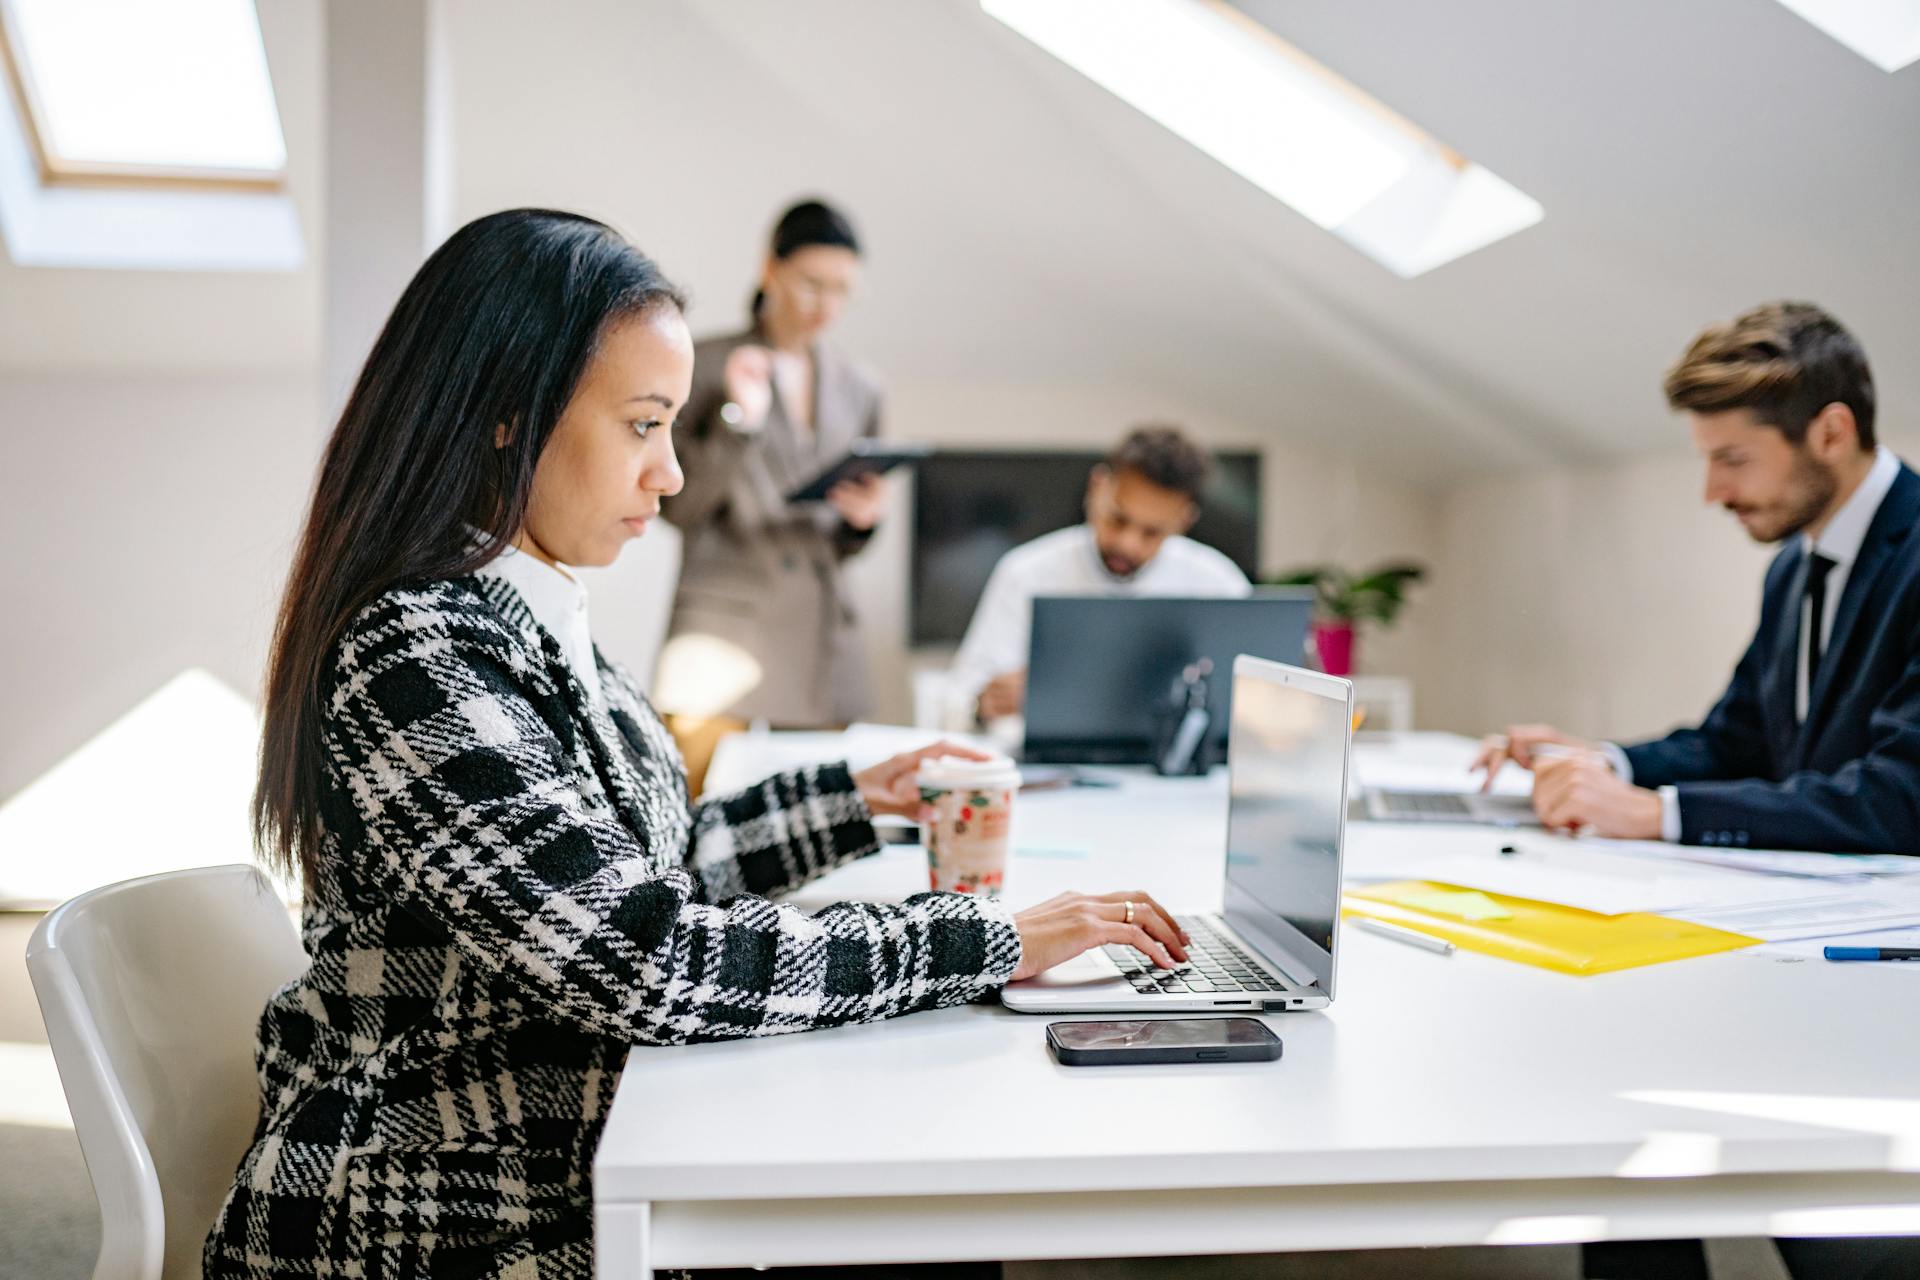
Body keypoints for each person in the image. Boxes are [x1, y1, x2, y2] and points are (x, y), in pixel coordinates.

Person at [206, 209, 1190, 1280]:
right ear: (504, 414)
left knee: (923, 1210)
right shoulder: (418, 652)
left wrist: (855, 797)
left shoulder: (534, 616)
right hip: (436, 1197)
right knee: (922, 1220)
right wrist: (982, 938)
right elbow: (645, 953)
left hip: (564, 1136)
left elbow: (651, 855)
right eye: (642, 425)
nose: (671, 474)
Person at [1472, 301, 1920, 856]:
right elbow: (1736, 743)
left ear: (1831, 433)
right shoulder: (1793, 567)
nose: (1713, 492)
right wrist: (1605, 764)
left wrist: (1656, 813)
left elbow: (1902, 797)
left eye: (1733, 459)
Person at [657, 198, 888, 738]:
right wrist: (738, 420)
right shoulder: (699, 361)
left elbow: (843, 541)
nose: (825, 304)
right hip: (722, 637)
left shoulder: (862, 387)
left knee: (817, 813)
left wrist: (864, 520)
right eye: (812, 282)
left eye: (842, 289)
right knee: (685, 806)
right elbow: (678, 507)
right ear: (770, 268)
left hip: (822, 641)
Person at [949, 425, 1250, 725]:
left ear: (1184, 520)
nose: (1128, 544)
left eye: (1152, 532)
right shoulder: (1025, 572)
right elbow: (958, 701)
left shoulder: (1219, 583)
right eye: (1118, 519)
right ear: (1097, 487)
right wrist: (983, 703)